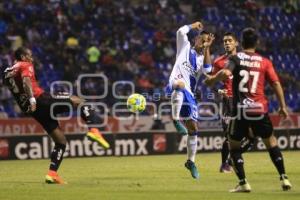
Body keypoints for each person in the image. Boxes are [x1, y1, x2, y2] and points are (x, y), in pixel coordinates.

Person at [3, 47, 110, 184]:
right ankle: (93, 129)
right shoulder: (25, 65)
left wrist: (29, 103)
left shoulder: (7, 73)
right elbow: (26, 81)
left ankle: (52, 174)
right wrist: (32, 99)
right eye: (30, 55)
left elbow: (16, 89)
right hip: (40, 100)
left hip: (33, 111)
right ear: (23, 57)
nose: (32, 58)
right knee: (80, 101)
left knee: (60, 142)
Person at [205, 28, 292, 192]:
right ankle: (284, 178)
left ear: (241, 43)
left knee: (234, 147)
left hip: (240, 110)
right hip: (259, 109)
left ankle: (243, 182)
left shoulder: (236, 58)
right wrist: (282, 106)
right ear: (257, 43)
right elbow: (276, 84)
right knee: (271, 143)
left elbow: (224, 72)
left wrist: (211, 81)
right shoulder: (264, 61)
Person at [166, 21, 214, 179]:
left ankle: (190, 162)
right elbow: (180, 31)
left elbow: (208, 70)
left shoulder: (201, 60)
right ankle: (175, 120)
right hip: (175, 84)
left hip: (190, 95)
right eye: (202, 39)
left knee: (193, 129)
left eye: (207, 40)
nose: (204, 41)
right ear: (196, 39)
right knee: (179, 85)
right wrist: (194, 25)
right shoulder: (184, 46)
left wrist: (207, 47)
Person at [212, 32, 255, 173]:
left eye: (230, 40)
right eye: (225, 41)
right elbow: (212, 82)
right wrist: (219, 90)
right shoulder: (218, 62)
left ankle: (231, 160)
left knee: (251, 137)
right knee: (229, 136)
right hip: (229, 101)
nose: (227, 43)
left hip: (244, 101)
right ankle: (224, 164)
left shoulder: (245, 60)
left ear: (236, 43)